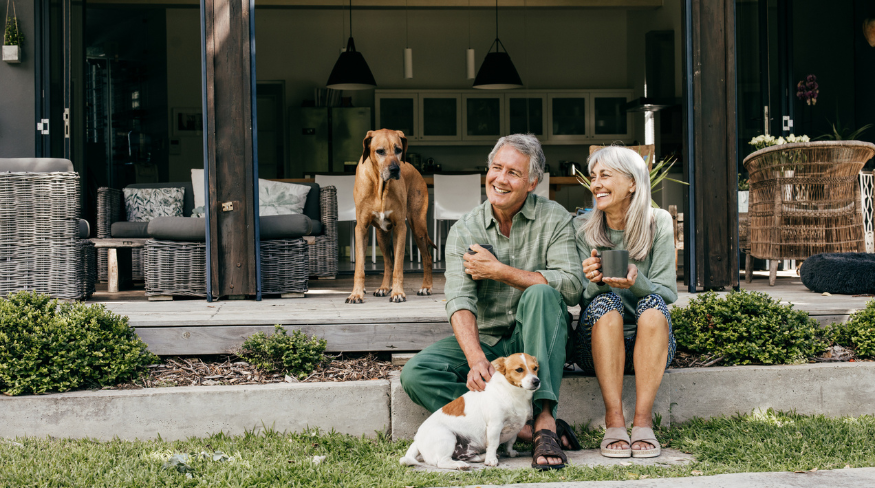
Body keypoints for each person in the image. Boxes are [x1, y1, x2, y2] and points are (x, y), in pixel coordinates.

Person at [400, 134, 584, 470]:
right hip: (488, 339)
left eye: (513, 173)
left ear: (532, 182)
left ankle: (545, 421)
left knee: (542, 293)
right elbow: (459, 298)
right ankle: (521, 430)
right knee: (417, 373)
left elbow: (572, 286)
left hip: (535, 339)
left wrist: (499, 271)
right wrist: (475, 358)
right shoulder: (465, 228)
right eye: (496, 168)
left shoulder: (554, 218)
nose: (500, 178)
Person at [571, 146, 678, 458]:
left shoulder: (658, 222)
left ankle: (643, 421)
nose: (596, 184)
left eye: (606, 175)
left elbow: (668, 293)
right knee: (606, 306)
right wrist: (592, 282)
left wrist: (635, 280)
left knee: (653, 307)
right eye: (593, 177)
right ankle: (614, 420)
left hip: (651, 345)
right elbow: (579, 297)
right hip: (597, 347)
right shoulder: (583, 228)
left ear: (633, 182)